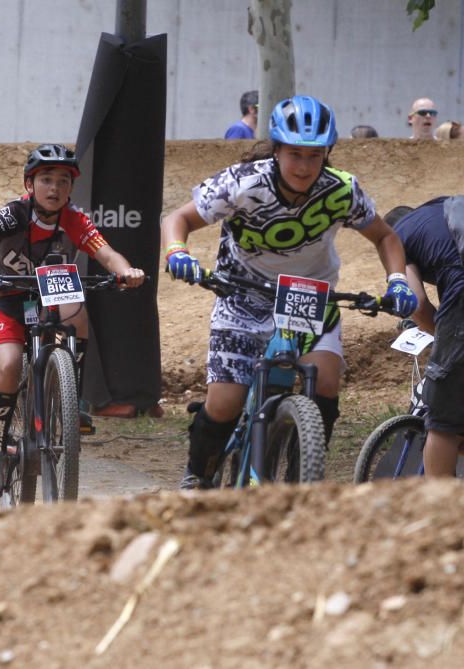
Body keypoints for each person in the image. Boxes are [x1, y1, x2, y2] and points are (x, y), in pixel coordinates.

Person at [161, 94, 417, 490]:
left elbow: (385, 237)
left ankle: (305, 474)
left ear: (327, 154)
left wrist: (397, 280)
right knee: (225, 403)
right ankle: (199, 474)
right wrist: (178, 251)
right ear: (277, 150)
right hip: (242, 296)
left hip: (310, 298)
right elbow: (178, 218)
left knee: (326, 383)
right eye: (294, 154)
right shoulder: (244, 182)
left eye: (314, 156)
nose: (304, 165)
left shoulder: (341, 190)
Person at [0, 144, 146, 498]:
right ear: (30, 183)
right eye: (46, 179)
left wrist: (127, 271)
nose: (54, 188)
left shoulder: (74, 218)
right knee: (10, 364)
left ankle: (71, 398)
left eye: (63, 181)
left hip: (50, 291)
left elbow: (106, 253)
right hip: (6, 294)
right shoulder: (14, 214)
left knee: (77, 310)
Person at [384, 199, 464, 477]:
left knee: (444, 422)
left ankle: (444, 516)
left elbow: (416, 303)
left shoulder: (395, 239)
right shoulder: (441, 212)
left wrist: (441, 337)